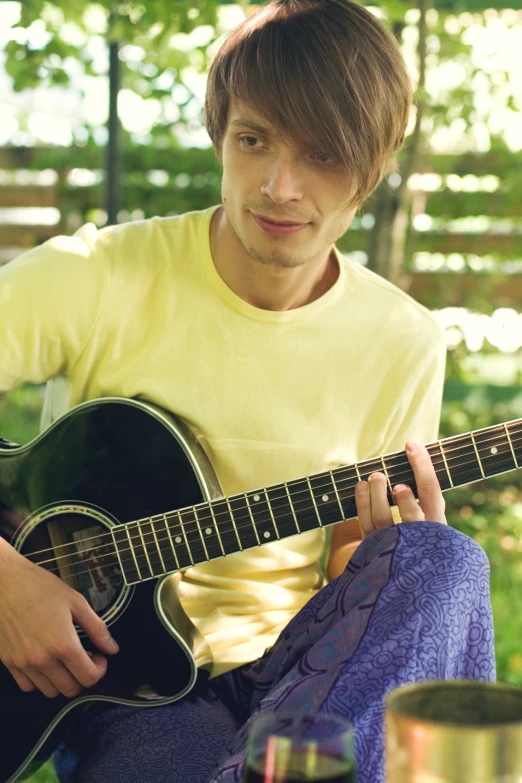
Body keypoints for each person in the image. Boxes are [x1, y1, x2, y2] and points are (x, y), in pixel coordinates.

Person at [0, 0, 495, 781]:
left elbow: (350, 573)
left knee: (443, 561)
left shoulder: (403, 340)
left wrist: (372, 566)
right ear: (219, 132)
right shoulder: (99, 277)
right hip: (131, 688)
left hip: (306, 670)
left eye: (323, 154)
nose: (278, 186)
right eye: (253, 139)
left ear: (376, 160)